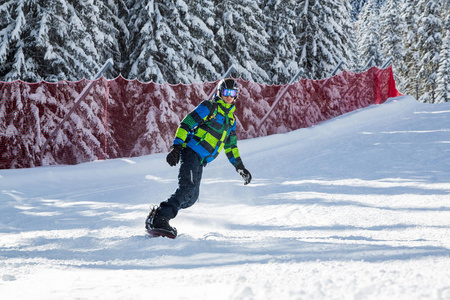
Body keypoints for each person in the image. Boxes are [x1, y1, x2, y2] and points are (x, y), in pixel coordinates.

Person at [145, 78, 252, 238]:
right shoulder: (210, 107)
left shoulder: (231, 120)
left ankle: (157, 216)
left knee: (191, 198)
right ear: (219, 92)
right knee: (187, 189)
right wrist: (177, 146)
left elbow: (231, 146)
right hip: (191, 152)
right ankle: (160, 218)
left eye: (232, 93)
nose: (229, 96)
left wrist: (240, 167)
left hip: (201, 160)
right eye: (226, 92)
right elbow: (186, 123)